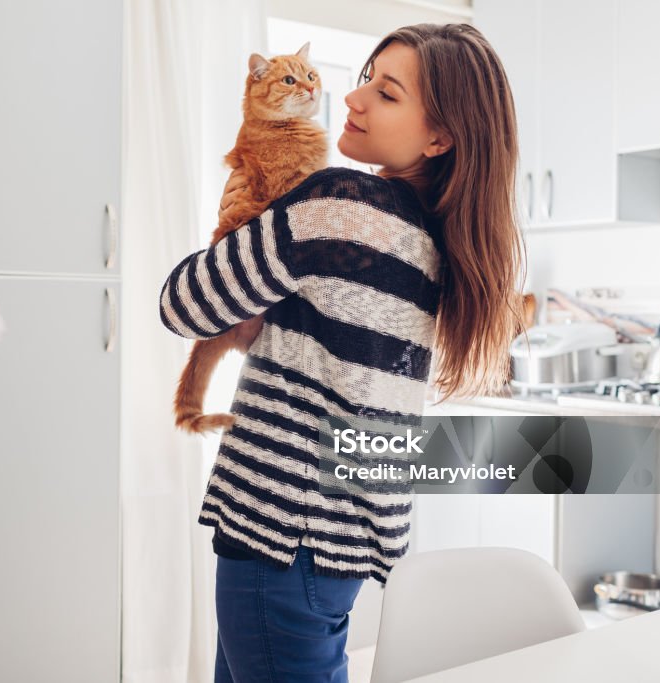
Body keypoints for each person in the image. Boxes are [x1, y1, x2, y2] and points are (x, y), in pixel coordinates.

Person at [159, 23, 525, 683]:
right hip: (342, 544)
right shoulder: (435, 238)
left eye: (386, 94)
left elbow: (183, 302)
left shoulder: (339, 204)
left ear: (439, 136)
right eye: (365, 80)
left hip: (278, 534)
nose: (353, 100)